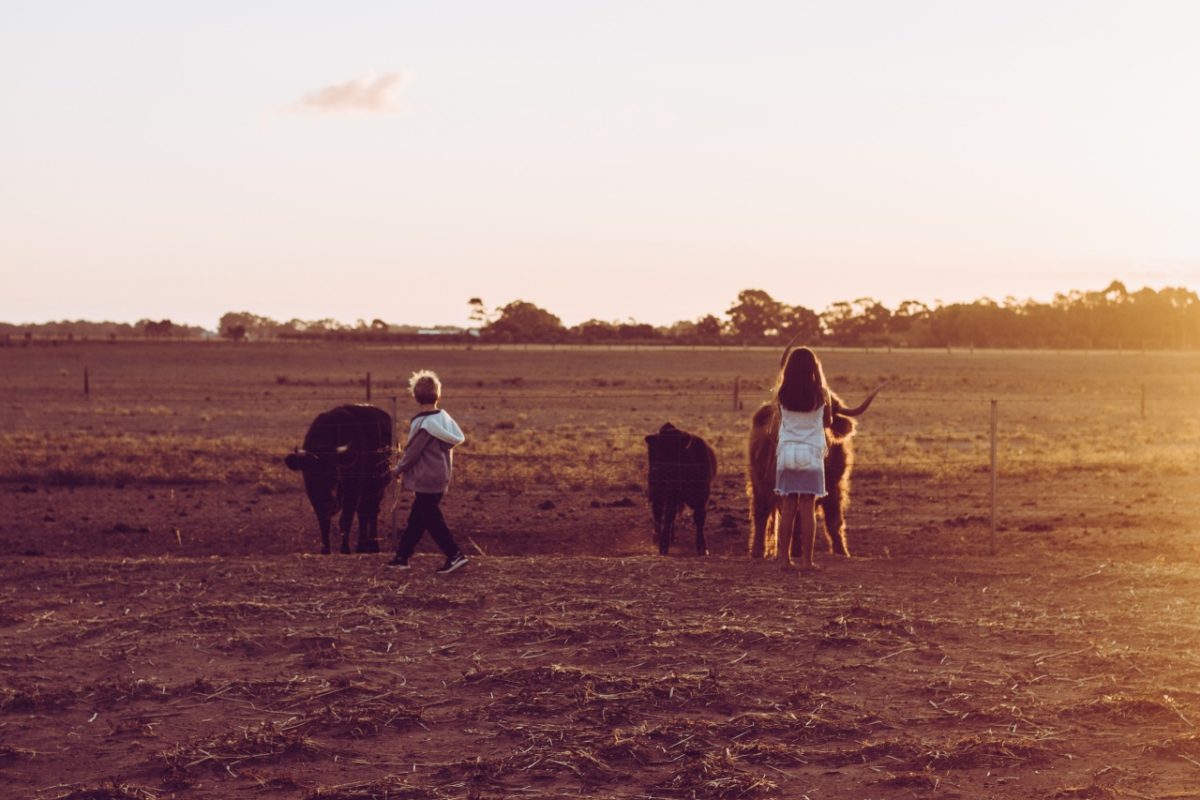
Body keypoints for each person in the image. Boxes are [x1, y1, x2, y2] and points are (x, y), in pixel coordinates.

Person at [388, 369, 469, 574]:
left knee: (432, 520)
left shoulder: (424, 424)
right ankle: (402, 556)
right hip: (440, 476)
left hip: (425, 477)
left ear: (415, 397)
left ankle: (454, 554)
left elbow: (412, 452)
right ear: (438, 395)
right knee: (418, 518)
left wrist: (398, 469)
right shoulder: (443, 418)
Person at [773, 347, 832, 571]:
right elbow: (828, 422)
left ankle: (783, 560)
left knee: (788, 506)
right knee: (808, 508)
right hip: (811, 453)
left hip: (787, 452)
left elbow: (782, 418)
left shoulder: (782, 393)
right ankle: (807, 561)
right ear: (813, 368)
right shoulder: (821, 394)